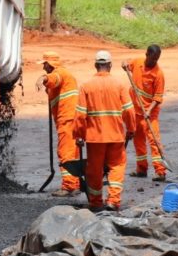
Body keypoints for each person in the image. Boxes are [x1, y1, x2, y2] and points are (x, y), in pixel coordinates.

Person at [73, 50, 136, 212]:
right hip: (116, 136)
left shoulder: (86, 86)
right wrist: (131, 129)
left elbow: (80, 115)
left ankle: (95, 202)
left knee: (94, 170)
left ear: (95, 65)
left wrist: (79, 135)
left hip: (94, 138)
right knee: (117, 166)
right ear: (110, 65)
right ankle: (113, 201)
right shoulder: (120, 85)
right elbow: (129, 111)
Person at [36, 51, 81, 197]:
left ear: (50, 64)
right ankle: (75, 183)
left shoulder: (60, 73)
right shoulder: (65, 75)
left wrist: (43, 79)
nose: (43, 68)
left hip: (66, 119)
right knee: (73, 153)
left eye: (45, 65)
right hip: (71, 119)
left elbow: (54, 79)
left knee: (65, 152)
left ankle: (68, 186)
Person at [123, 45, 166, 182]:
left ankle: (160, 171)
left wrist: (148, 110)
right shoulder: (137, 62)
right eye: (152, 59)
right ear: (146, 54)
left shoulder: (158, 74)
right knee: (138, 141)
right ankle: (141, 169)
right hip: (136, 112)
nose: (154, 62)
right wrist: (124, 64)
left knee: (154, 141)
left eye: (156, 59)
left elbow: (158, 98)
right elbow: (126, 64)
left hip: (150, 113)